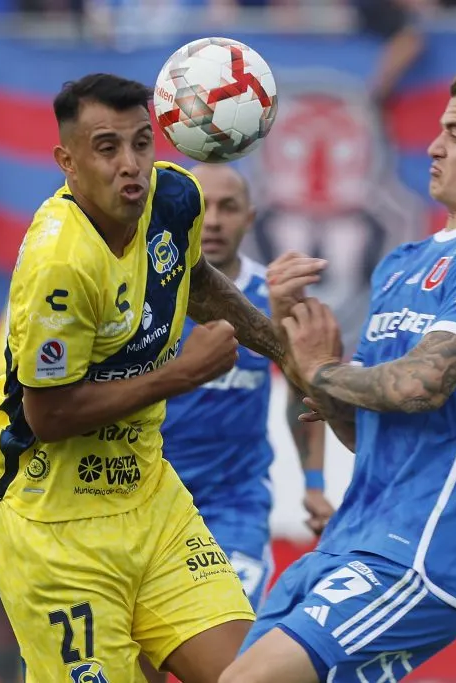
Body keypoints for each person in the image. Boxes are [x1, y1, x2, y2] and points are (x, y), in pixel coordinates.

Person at [0, 73, 317, 683]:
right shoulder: (58, 264)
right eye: (107, 148)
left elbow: (192, 278)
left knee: (258, 675)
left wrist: (286, 350)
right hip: (59, 530)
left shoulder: (174, 200)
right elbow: (50, 414)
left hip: (152, 502)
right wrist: (181, 374)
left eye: (142, 143)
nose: (132, 165)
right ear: (67, 162)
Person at [220, 63, 456, 683]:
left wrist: (320, 370)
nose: (435, 146)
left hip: (417, 553)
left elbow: (418, 386)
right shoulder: (403, 263)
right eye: (440, 130)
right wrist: (285, 333)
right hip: (346, 542)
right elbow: (362, 428)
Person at [160, 162, 333, 613]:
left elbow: (304, 393)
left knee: (232, 640)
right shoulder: (150, 294)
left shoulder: (275, 297)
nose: (214, 219)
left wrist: (314, 483)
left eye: (228, 207)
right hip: (149, 500)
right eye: (203, 207)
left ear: (250, 219)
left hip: (234, 505)